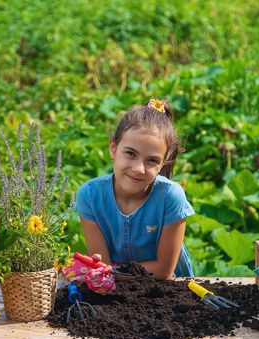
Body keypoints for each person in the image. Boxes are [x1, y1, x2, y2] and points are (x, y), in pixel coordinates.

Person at [75, 98, 194, 279]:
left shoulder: (171, 197)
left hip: (169, 291)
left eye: (152, 160)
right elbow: (103, 269)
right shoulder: (90, 196)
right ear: (113, 148)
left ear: (163, 162)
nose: (138, 169)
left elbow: (163, 271)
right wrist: (105, 271)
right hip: (114, 292)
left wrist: (110, 271)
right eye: (130, 154)